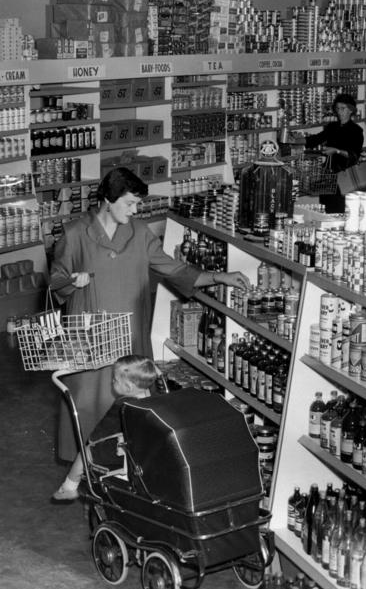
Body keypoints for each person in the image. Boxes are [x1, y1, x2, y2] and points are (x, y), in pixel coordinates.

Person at [49, 167, 251, 465]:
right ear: (108, 199)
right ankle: (80, 473)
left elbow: (175, 270)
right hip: (90, 341)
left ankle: (136, 469)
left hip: (129, 336)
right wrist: (71, 280)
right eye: (129, 203)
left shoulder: (140, 233)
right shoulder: (75, 233)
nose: (135, 209)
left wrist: (220, 276)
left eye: (137, 204)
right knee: (86, 410)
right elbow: (55, 282)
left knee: (140, 413)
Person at [51, 354, 157, 502]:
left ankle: (69, 487)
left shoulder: (123, 406)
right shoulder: (152, 398)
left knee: (85, 454)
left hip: (121, 451)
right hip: (143, 449)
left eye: (115, 380)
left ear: (127, 387)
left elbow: (101, 433)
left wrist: (91, 442)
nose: (112, 382)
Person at [302, 93, 364, 213]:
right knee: (325, 208)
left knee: (340, 209)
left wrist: (336, 151)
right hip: (329, 175)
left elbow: (354, 156)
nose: (339, 112)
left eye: (343, 108)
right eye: (337, 108)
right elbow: (315, 139)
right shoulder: (332, 127)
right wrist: (295, 141)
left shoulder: (356, 131)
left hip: (346, 175)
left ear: (351, 110)